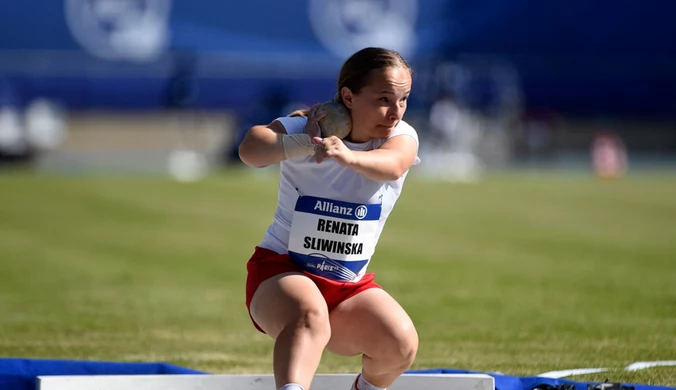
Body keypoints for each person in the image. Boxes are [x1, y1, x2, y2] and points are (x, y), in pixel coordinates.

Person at [238, 47, 421, 390]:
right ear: (348, 97)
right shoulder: (310, 126)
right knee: (309, 315)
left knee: (400, 344)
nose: (395, 112)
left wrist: (345, 155)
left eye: (404, 99)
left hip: (346, 287)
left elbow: (394, 165)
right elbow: (250, 149)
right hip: (280, 272)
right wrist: (304, 142)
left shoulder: (401, 136)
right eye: (384, 99)